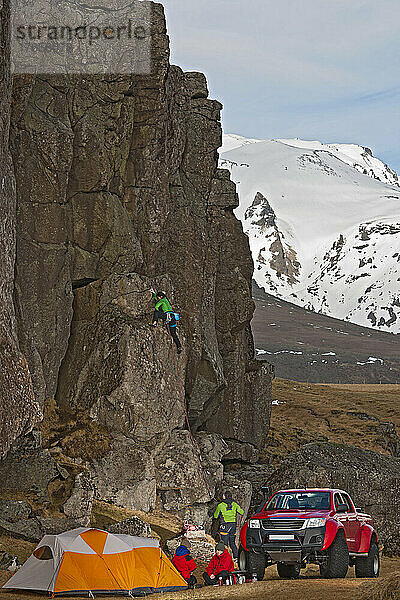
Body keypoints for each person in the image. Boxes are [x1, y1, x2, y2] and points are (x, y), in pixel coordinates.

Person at [214, 491, 244, 559]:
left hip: (225, 526)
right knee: (232, 543)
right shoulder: (234, 504)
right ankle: (236, 558)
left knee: (224, 544)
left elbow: (215, 516)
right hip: (233, 525)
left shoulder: (220, 505)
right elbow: (242, 512)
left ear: (224, 497)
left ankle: (225, 558)